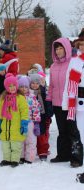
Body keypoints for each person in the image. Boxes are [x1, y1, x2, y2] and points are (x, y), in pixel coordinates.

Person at [47, 37, 83, 168]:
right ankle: (63, 155)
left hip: (70, 103)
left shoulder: (73, 63)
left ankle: (76, 158)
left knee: (73, 131)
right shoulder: (52, 66)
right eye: (56, 48)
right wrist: (48, 101)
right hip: (57, 103)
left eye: (60, 48)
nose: (58, 51)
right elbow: (51, 86)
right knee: (61, 131)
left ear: (67, 48)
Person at [0, 73, 29, 167]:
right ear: (6, 87)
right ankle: (6, 159)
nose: (12, 87)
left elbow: (24, 111)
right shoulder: (2, 99)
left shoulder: (20, 98)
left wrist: (24, 124)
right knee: (5, 146)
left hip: (16, 127)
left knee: (16, 145)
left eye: (14, 85)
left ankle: (15, 160)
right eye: (9, 86)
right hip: (5, 127)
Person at [61, 33, 84, 168]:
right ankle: (78, 158)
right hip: (78, 103)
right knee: (79, 131)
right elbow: (68, 84)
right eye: (81, 45)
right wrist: (66, 104)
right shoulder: (74, 61)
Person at [29, 73, 53, 161]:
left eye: (37, 83)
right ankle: (32, 150)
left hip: (42, 117)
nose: (35, 85)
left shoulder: (43, 93)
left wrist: (49, 115)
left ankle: (42, 151)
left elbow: (48, 104)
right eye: (33, 83)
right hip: (31, 118)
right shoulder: (27, 94)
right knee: (32, 135)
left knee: (42, 135)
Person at [17, 75, 41, 164]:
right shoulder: (16, 97)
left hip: (30, 122)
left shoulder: (32, 97)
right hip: (19, 122)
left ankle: (29, 158)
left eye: (25, 87)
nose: (23, 89)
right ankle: (20, 157)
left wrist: (36, 123)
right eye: (21, 87)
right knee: (20, 140)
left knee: (31, 140)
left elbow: (36, 109)